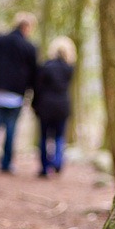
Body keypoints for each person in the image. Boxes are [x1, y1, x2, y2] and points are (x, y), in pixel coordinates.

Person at [0, 12, 37, 173]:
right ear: (27, 27)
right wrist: (29, 92)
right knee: (10, 129)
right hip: (15, 96)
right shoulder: (29, 47)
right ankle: (6, 163)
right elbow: (33, 73)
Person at [32, 36, 76, 177]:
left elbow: (37, 87)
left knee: (44, 137)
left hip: (45, 106)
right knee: (59, 136)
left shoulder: (45, 67)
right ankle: (57, 162)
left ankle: (45, 168)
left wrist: (35, 104)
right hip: (62, 106)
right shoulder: (69, 69)